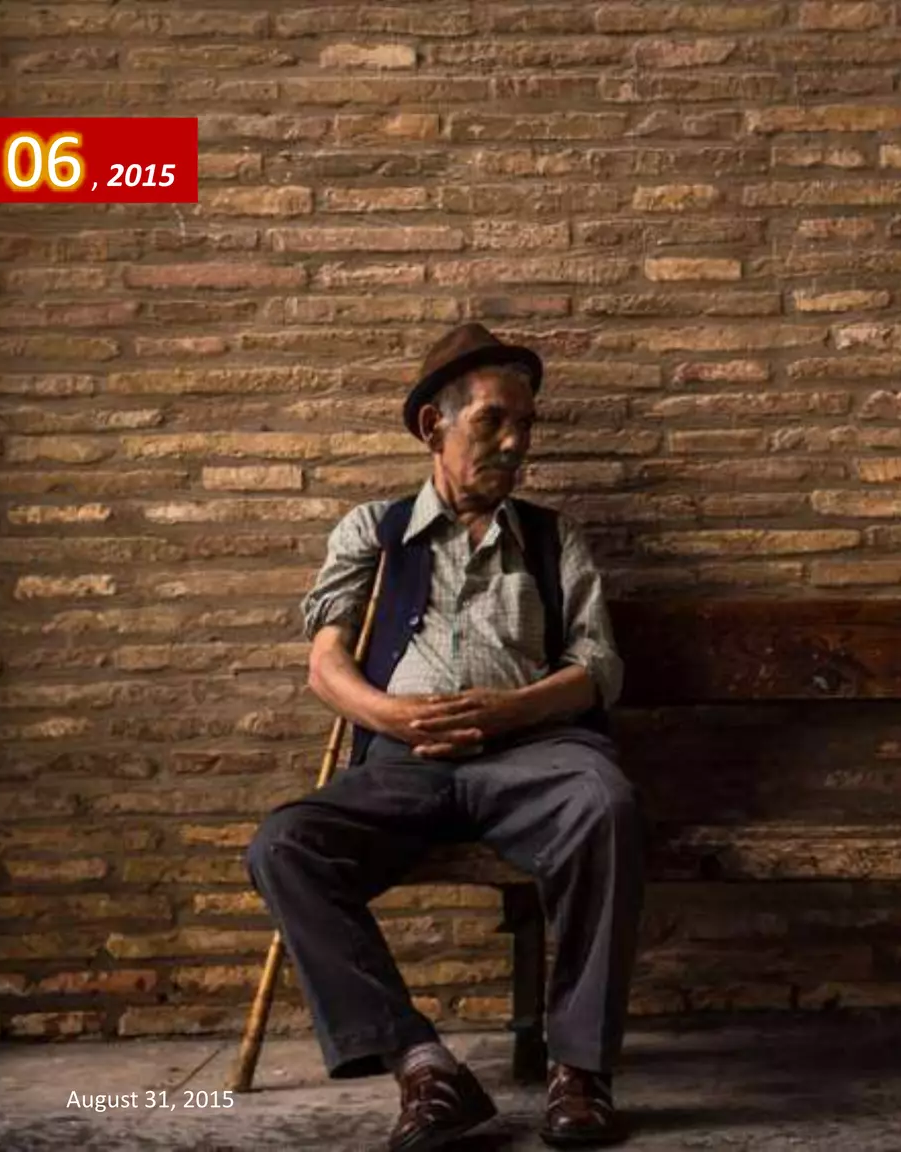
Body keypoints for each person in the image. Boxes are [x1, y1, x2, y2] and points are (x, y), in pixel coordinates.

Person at [246, 322, 641, 1150]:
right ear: (435, 425)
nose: (513, 443)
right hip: (404, 764)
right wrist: (391, 716)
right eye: (493, 421)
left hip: (536, 753)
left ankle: (580, 1073)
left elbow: (598, 665)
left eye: (525, 426)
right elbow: (326, 663)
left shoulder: (550, 536)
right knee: (285, 845)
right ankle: (425, 1068)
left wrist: (517, 709)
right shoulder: (373, 532)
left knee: (605, 801)